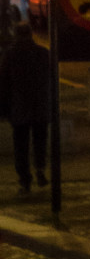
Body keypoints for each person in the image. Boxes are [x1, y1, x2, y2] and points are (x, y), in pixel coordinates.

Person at [0, 20, 51, 195]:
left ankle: (24, 179)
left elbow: (4, 83)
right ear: (31, 34)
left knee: (20, 145)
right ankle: (40, 169)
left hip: (19, 106)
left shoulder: (10, 55)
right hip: (40, 106)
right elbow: (50, 79)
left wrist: (4, 108)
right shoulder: (43, 53)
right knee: (40, 141)